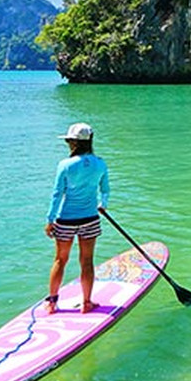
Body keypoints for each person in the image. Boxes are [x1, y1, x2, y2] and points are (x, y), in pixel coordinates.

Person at [45, 122, 110, 314]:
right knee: (87, 260)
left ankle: (52, 304)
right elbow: (105, 190)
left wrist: (50, 220)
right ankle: (87, 303)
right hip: (90, 218)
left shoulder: (65, 165)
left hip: (66, 219)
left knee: (60, 260)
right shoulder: (100, 163)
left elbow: (57, 194)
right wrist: (102, 205)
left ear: (73, 143)